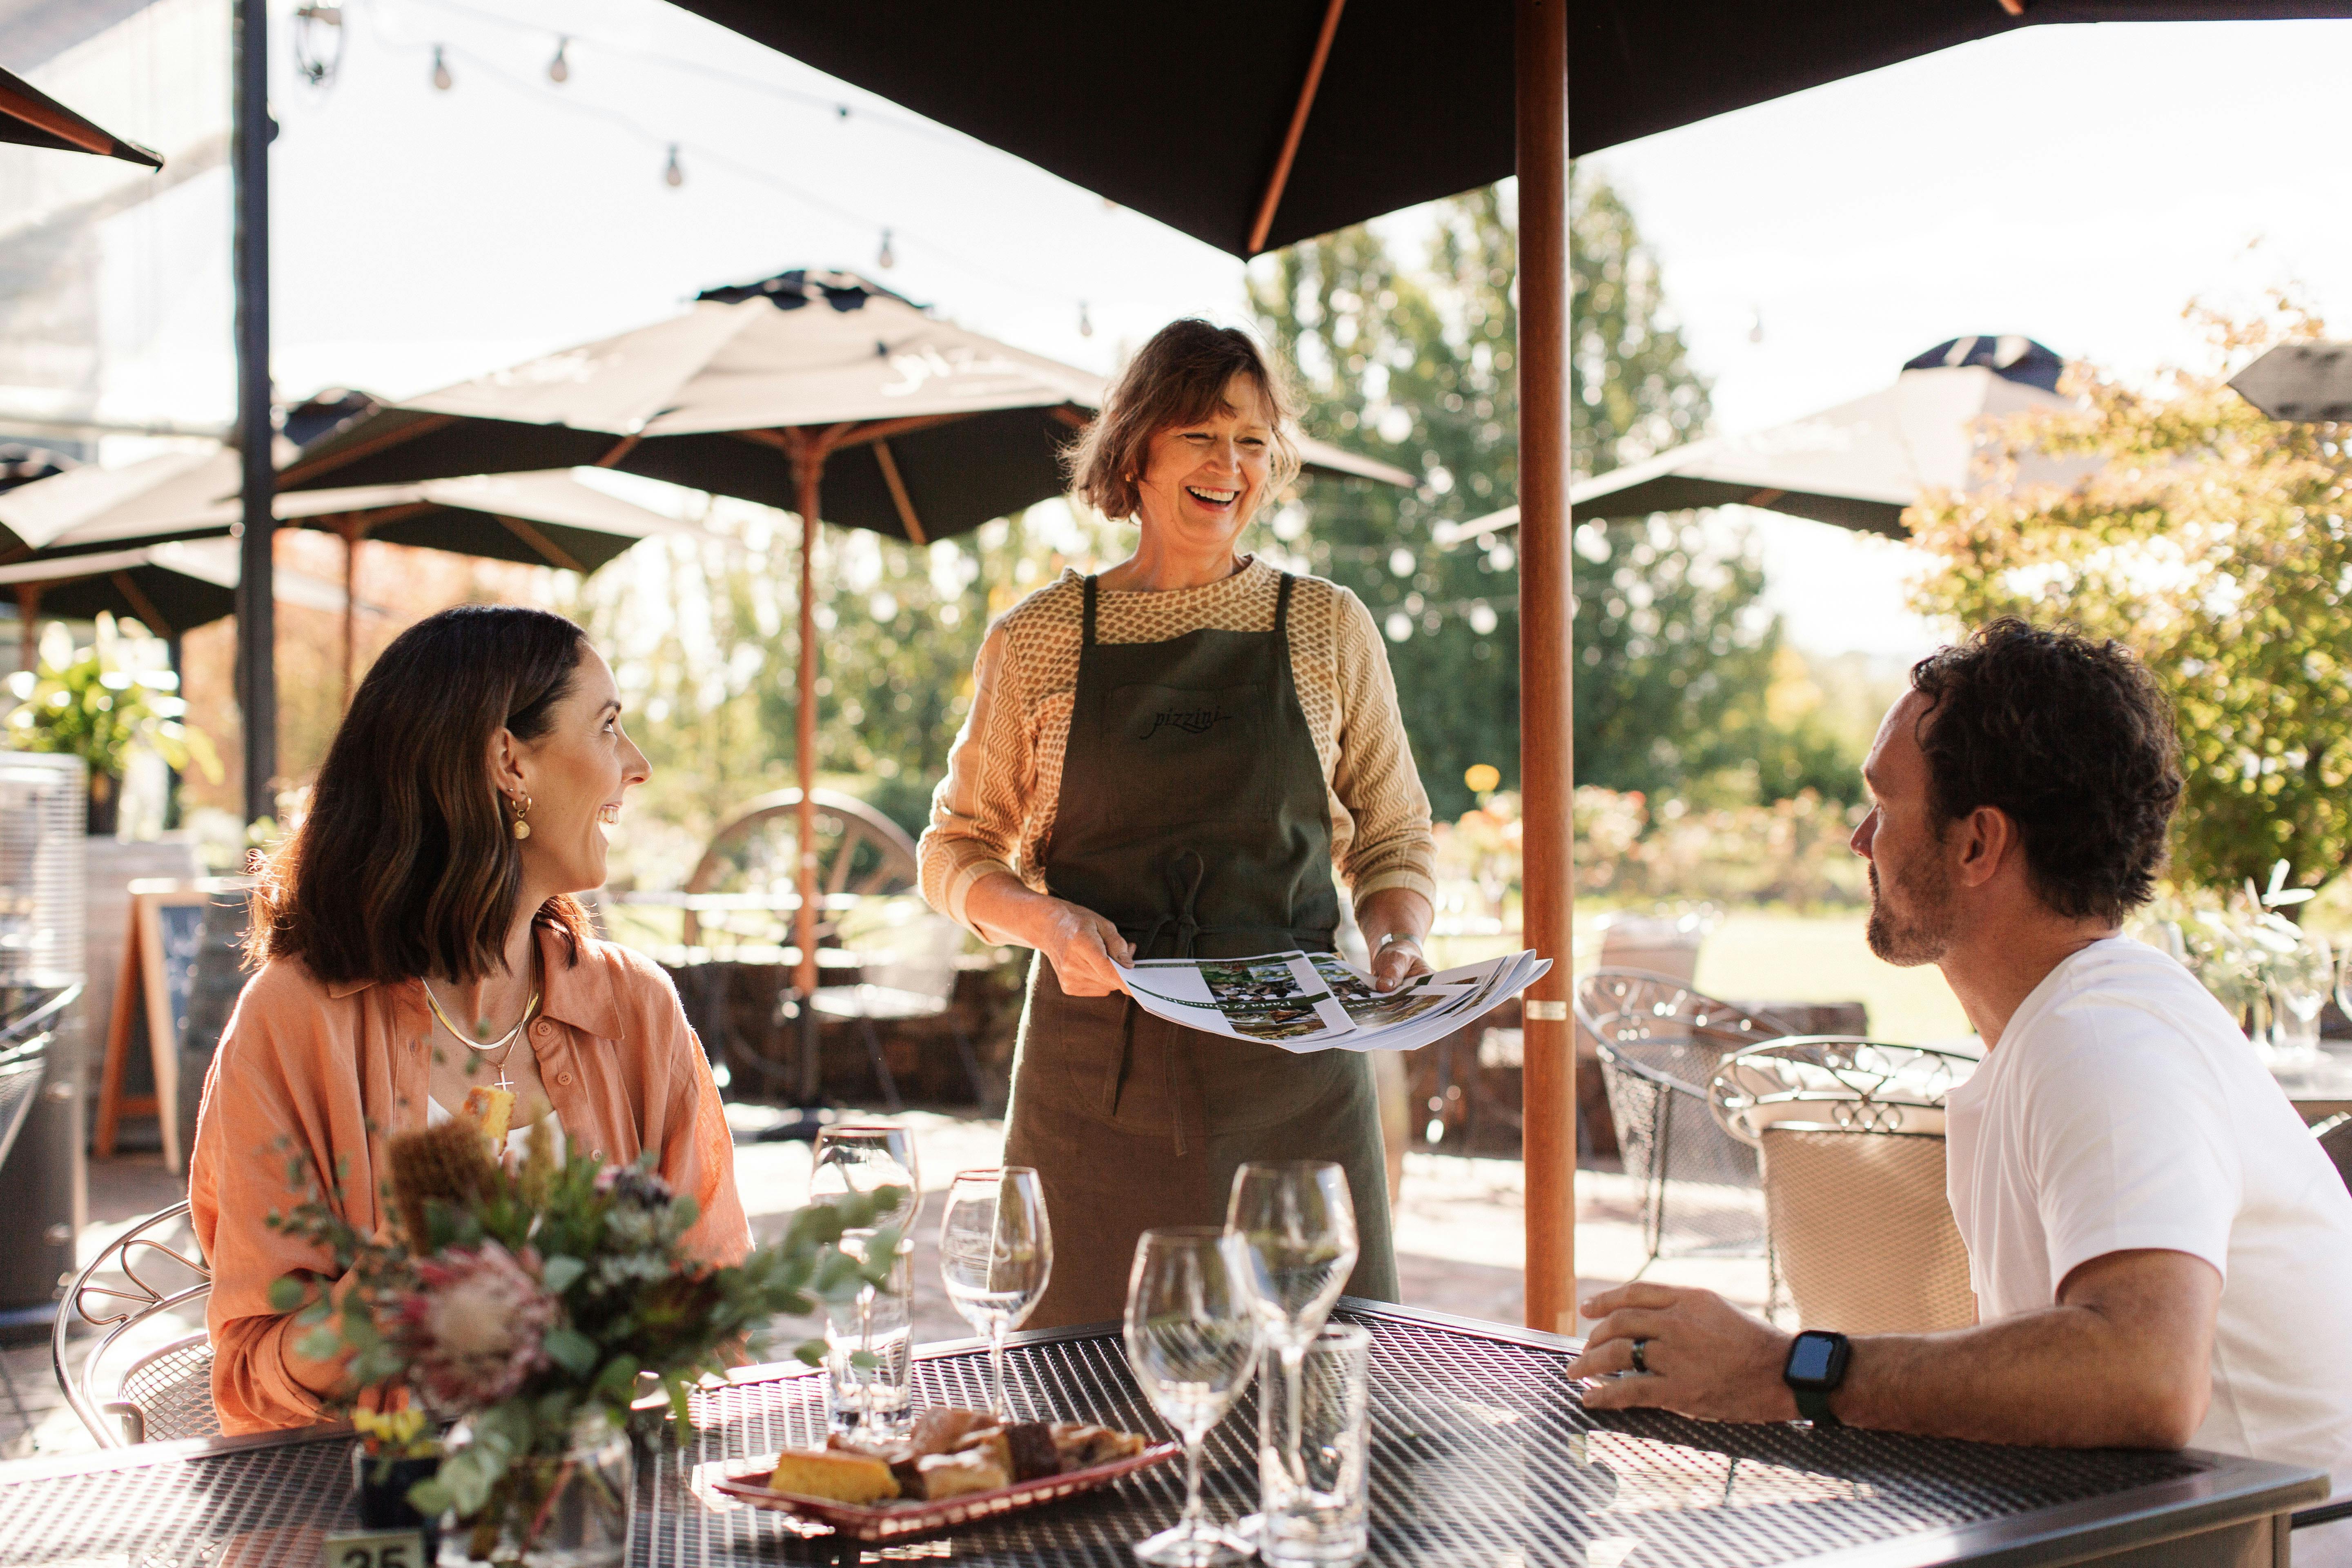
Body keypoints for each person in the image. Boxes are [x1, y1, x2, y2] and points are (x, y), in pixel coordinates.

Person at [1568, 620, 2352, 1557]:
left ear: (1978, 843)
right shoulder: (2058, 1032)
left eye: (1884, 805)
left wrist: (1786, 1370)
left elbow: (2142, 1375)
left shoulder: (2102, 1040)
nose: (1863, 839)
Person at [919, 319, 1437, 1327]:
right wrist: (1044, 923)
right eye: (1201, 435)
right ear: (1137, 449)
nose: (1229, 465)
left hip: (1297, 1075)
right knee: (1086, 1403)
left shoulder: (1329, 624)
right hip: (1093, 1085)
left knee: (1317, 1382)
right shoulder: (1040, 639)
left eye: (1252, 439)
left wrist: (1400, 936)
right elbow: (956, 848)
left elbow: (1394, 836)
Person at [189, 605, 749, 1434]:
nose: (638, 766)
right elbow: (248, 1383)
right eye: (607, 729)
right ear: (507, 761)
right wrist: (381, 1296)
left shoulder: (639, 1011)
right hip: (378, 1521)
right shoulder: (295, 1020)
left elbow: (718, 1324)